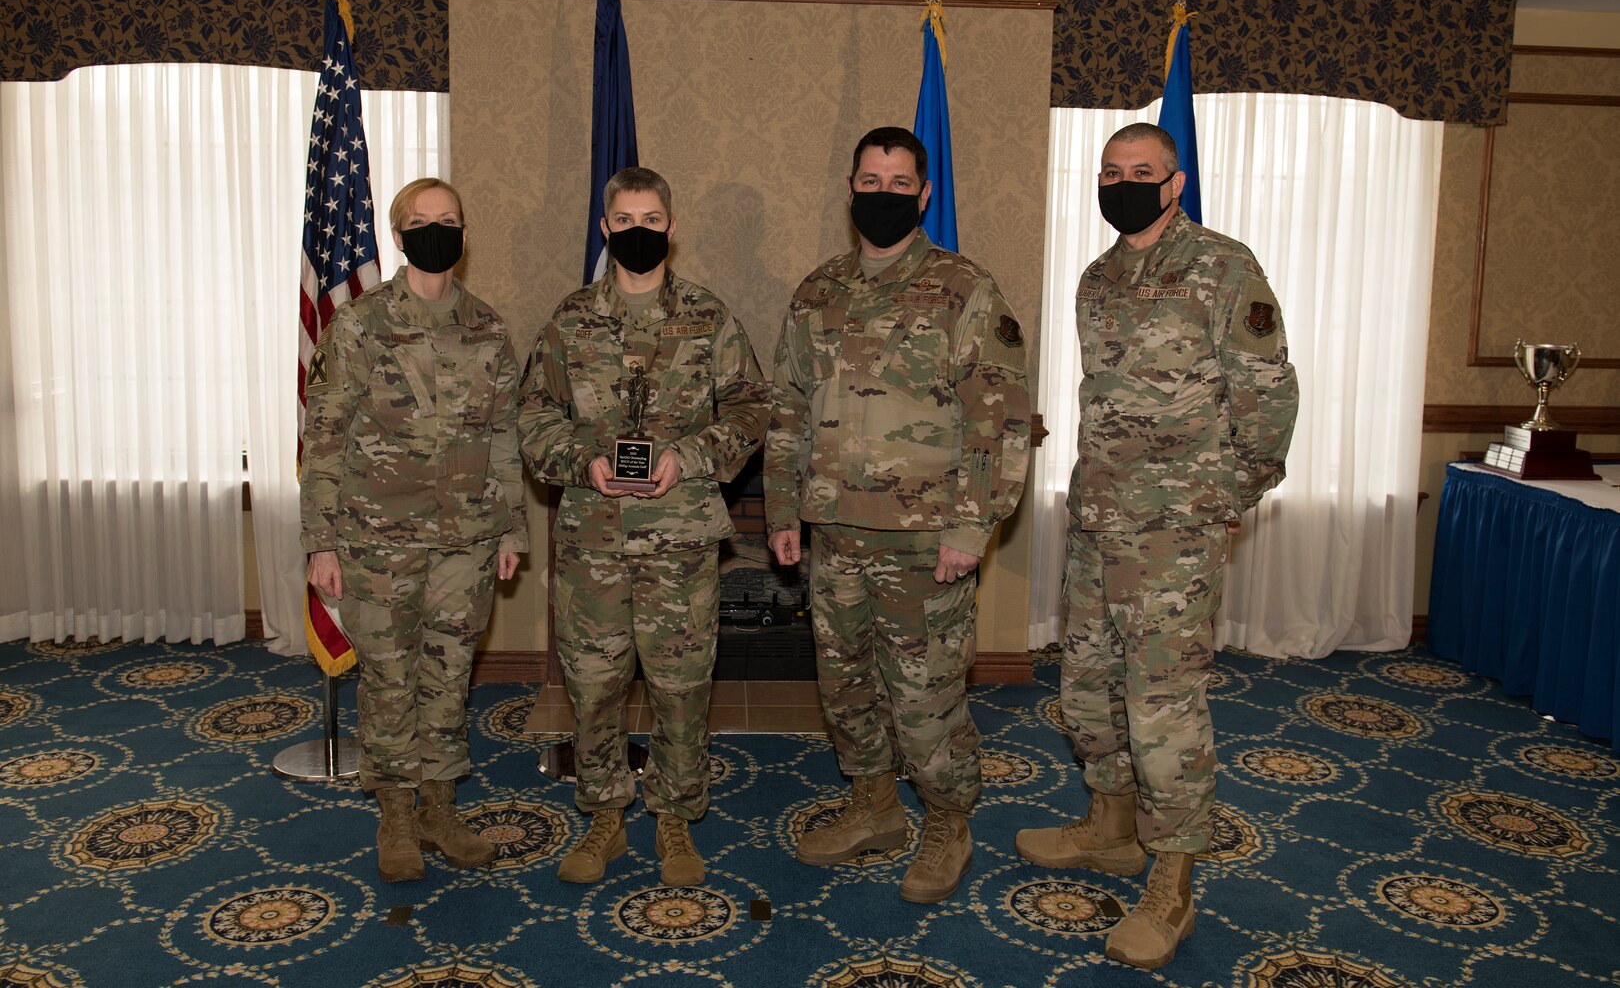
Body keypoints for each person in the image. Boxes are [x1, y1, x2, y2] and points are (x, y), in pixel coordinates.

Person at [1014, 123, 1299, 969]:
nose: (1124, 183)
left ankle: (1173, 887)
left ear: (1175, 184)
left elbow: (1269, 397)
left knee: (1164, 706)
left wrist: (1224, 498)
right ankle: (1110, 828)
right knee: (1089, 683)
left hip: (1177, 533)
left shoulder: (1223, 267)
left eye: (1142, 172)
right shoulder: (1098, 277)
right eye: (1110, 172)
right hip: (1101, 518)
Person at [765, 127, 1030, 904]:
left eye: (898, 182)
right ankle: (875, 807)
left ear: (923, 194)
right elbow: (787, 409)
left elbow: (1001, 420)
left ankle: (949, 822)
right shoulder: (817, 291)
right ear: (851, 191)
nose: (883, 195)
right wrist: (782, 508)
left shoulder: (963, 289)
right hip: (834, 532)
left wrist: (970, 528)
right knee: (845, 687)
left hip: (927, 541)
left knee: (925, 696)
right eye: (868, 182)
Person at [519, 166, 770, 887]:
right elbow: (533, 415)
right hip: (592, 538)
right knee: (593, 685)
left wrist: (689, 456)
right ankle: (604, 815)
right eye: (623, 221)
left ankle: (674, 818)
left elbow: (752, 407)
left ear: (670, 227)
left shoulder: (707, 315)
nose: (637, 232)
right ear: (605, 229)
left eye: (651, 220)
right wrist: (582, 459)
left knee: (681, 685)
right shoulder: (570, 320)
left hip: (680, 537)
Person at [301, 177, 527, 883]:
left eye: (450, 219)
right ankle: (395, 817)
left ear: (466, 232)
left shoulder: (488, 328)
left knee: (449, 677)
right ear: (398, 238)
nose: (438, 231)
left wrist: (513, 530)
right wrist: (320, 541)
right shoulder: (362, 325)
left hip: (466, 539)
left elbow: (503, 438)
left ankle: (440, 808)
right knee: (391, 679)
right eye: (422, 222)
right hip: (376, 538)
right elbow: (326, 434)